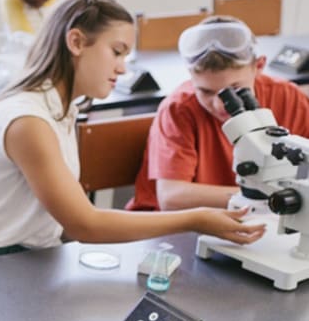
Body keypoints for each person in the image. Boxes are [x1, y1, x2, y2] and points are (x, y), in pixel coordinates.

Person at [0, 0, 265, 269]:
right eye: (116, 52)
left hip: (26, 259)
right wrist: (195, 219)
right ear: (76, 42)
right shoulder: (28, 121)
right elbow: (83, 225)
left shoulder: (62, 108)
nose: (122, 68)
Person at [126, 16, 309, 211]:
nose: (220, 105)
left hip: (256, 218)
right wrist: (258, 195)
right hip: (178, 225)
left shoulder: (288, 97)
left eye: (235, 89)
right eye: (205, 91)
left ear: (259, 67)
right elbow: (172, 198)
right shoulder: (178, 109)